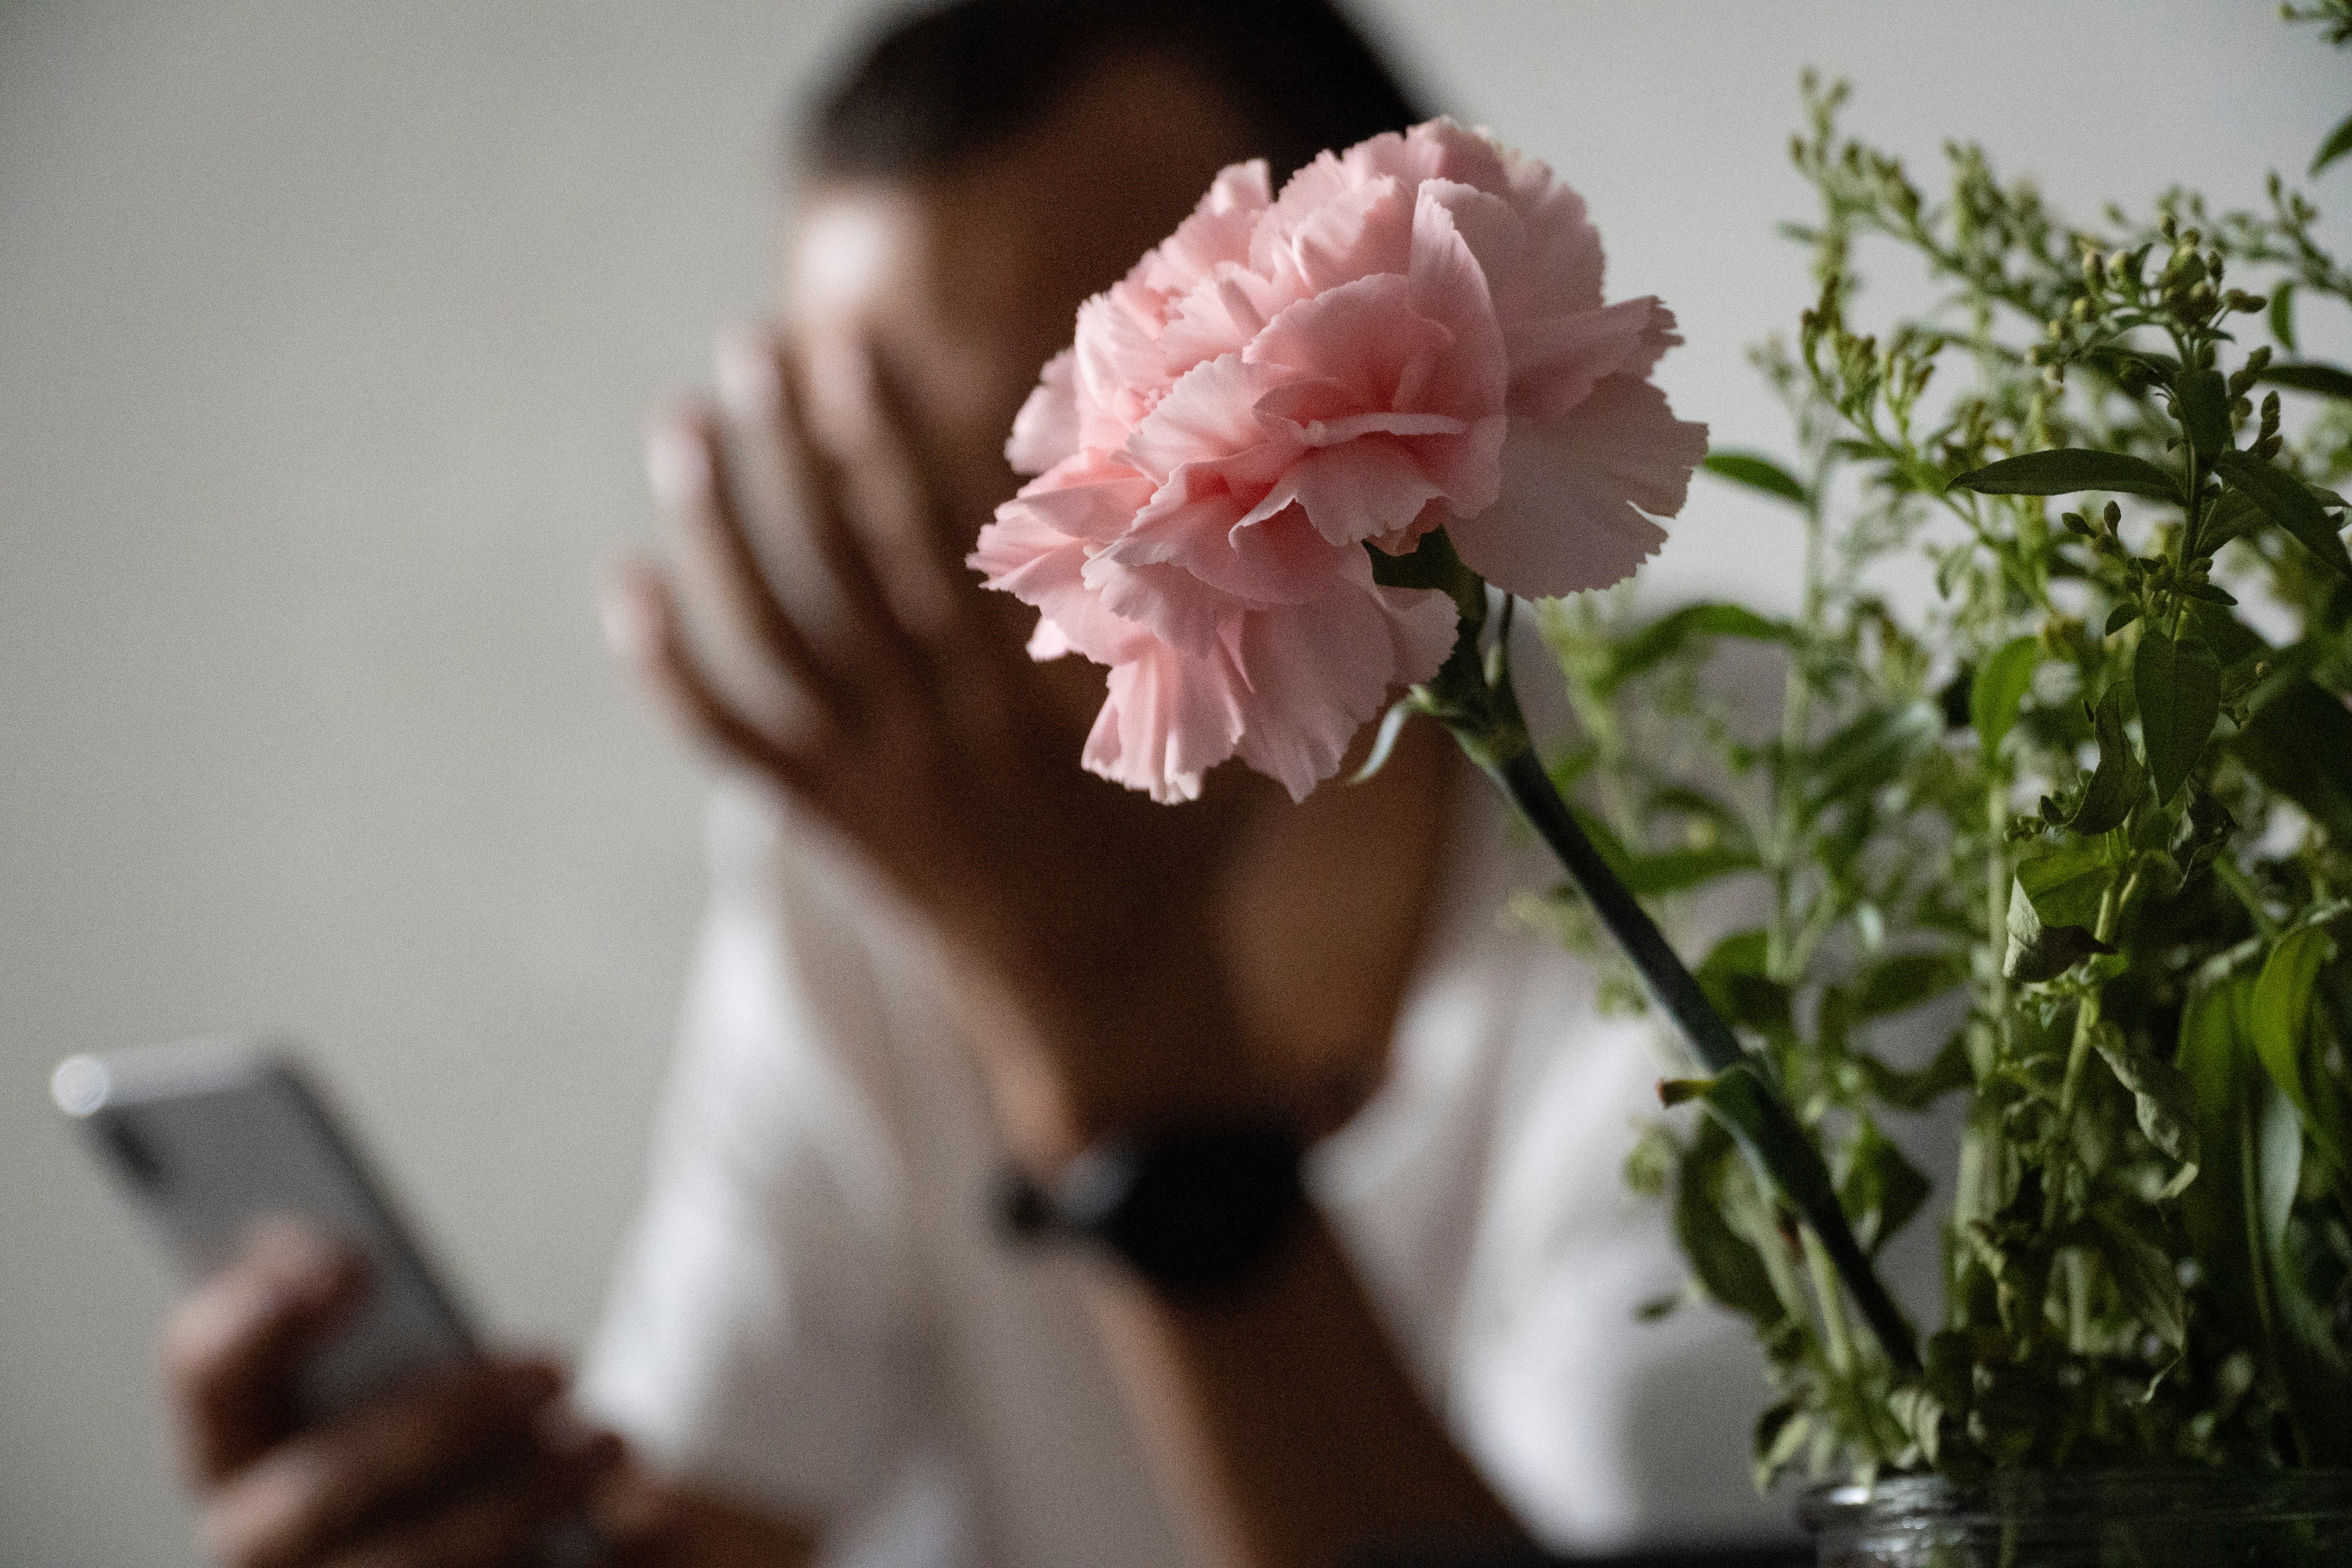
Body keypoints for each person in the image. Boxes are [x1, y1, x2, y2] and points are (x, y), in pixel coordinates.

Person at [158, 3, 1787, 1565]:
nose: (978, 592)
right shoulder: (857, 872)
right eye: (883, 480)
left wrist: (1137, 1063)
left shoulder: (1773, 828)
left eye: (1102, 447)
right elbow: (717, 1515)